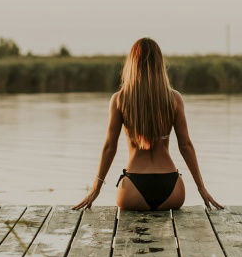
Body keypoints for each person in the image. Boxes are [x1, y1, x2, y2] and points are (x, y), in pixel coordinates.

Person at [72, 37, 223, 211]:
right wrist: (201, 188)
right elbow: (185, 145)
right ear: (160, 64)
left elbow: (109, 147)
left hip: (132, 188)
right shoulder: (174, 99)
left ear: (132, 64)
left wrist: (95, 189)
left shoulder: (120, 99)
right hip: (171, 189)